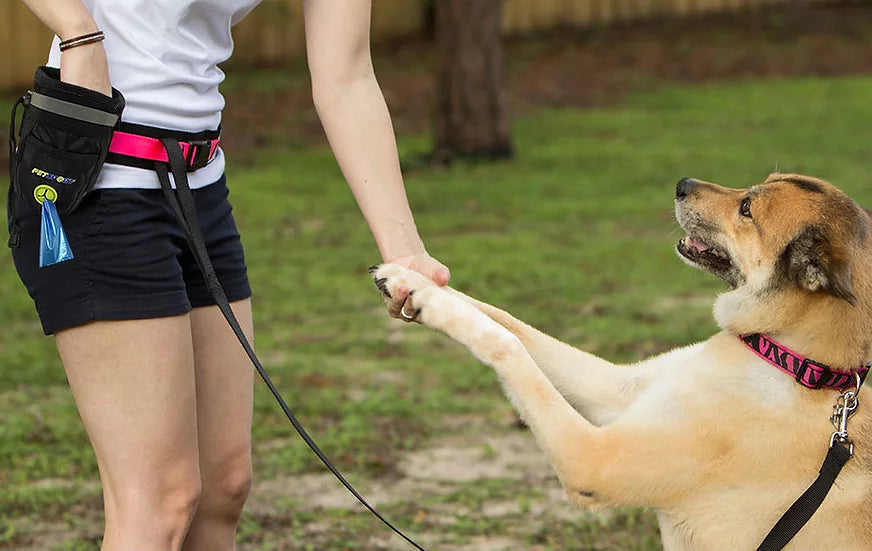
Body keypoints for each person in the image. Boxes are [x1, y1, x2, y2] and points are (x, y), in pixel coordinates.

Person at [10, 1, 450, 549]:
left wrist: (404, 252)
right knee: (160, 503)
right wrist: (79, 34)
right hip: (97, 178)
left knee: (224, 489)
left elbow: (348, 74)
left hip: (198, 180)